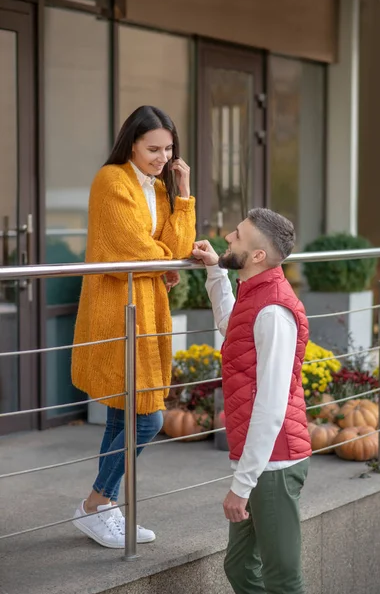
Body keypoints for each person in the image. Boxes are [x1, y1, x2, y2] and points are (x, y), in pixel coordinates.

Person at [71, 106, 196, 549]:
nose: (162, 157)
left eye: (169, 148)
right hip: (117, 308)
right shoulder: (112, 181)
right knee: (149, 419)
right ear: (131, 144)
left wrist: (182, 193)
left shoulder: (160, 189)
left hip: (145, 309)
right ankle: (93, 503)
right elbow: (142, 253)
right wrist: (163, 258)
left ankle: (103, 509)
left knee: (124, 416)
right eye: (153, 148)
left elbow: (175, 249)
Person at [192, 208, 312, 594]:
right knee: (241, 567)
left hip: (274, 463)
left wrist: (242, 485)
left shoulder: (274, 310)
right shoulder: (256, 292)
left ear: (258, 255)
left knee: (283, 579)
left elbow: (272, 406)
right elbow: (234, 327)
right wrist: (216, 272)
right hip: (259, 459)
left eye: (238, 236)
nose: (228, 237)